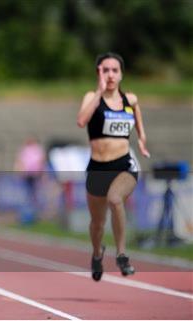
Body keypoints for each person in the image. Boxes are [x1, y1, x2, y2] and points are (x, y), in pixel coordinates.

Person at [77, 52, 150, 282]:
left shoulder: (131, 99)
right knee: (97, 223)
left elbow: (138, 118)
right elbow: (81, 121)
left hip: (124, 163)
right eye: (105, 70)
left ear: (121, 74)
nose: (110, 75)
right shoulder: (92, 97)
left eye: (114, 70)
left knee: (115, 199)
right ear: (98, 73)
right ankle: (97, 253)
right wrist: (99, 92)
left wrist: (141, 139)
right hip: (98, 167)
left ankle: (122, 254)